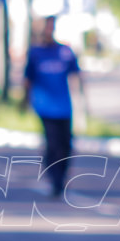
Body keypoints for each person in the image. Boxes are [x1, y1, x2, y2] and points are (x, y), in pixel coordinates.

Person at [24, 15, 85, 198]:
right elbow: (28, 79)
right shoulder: (35, 53)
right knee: (53, 144)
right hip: (45, 106)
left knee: (66, 144)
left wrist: (82, 103)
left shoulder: (65, 52)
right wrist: (24, 102)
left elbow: (76, 77)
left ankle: (62, 176)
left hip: (64, 106)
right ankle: (55, 179)